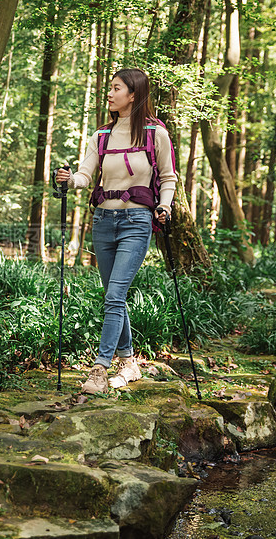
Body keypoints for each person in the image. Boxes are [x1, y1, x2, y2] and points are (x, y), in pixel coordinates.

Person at [56, 68, 177, 394]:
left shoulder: (156, 135)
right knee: (115, 297)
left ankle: (99, 369)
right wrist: (70, 180)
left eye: (116, 88)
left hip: (137, 223)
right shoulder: (102, 136)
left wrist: (165, 206)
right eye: (110, 88)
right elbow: (85, 175)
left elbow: (168, 179)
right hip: (103, 223)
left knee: (113, 295)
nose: (109, 94)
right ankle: (129, 362)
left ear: (133, 95)